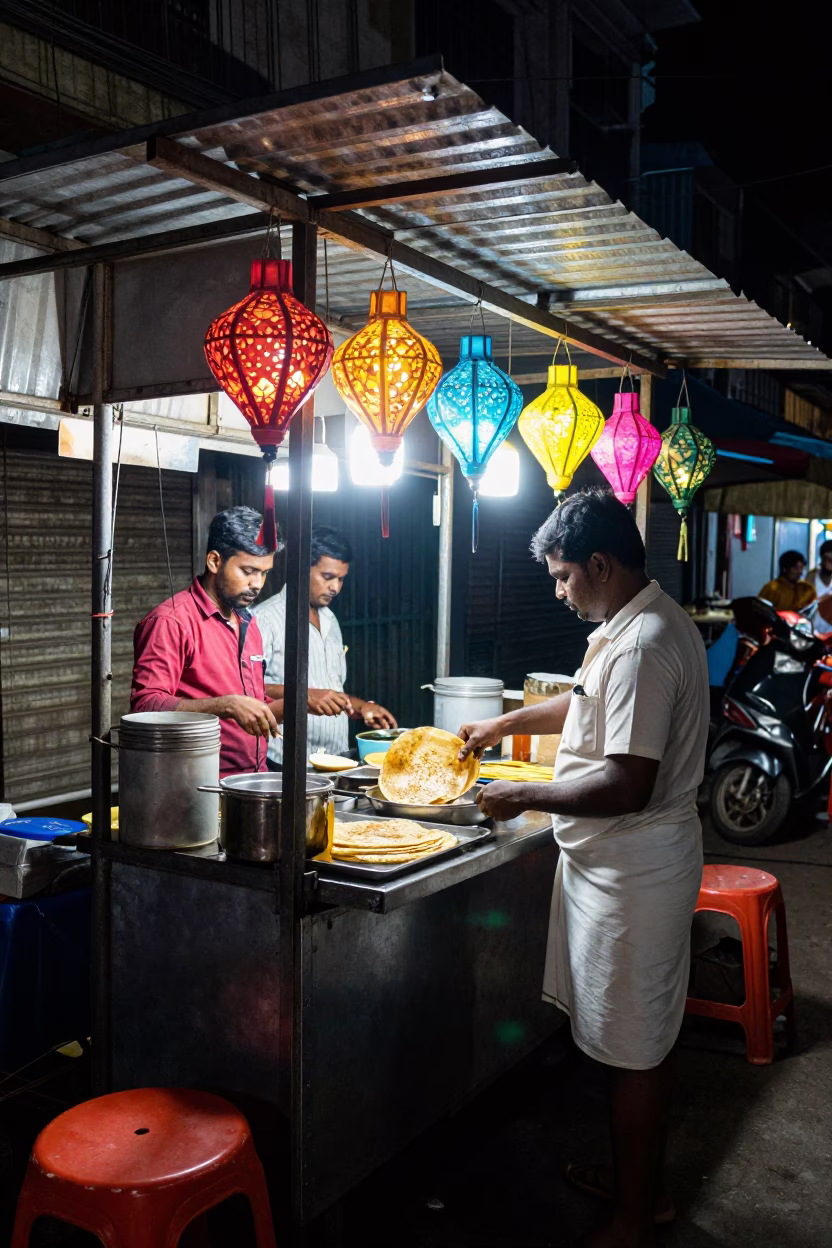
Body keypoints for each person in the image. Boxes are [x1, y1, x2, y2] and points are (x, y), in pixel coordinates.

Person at [458, 488, 709, 1248]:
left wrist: (522, 795)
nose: (559, 592)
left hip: (634, 873)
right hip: (621, 869)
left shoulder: (641, 643)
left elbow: (626, 779)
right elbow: (584, 706)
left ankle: (635, 1218)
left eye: (565, 577)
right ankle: (640, 1184)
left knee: (633, 1050)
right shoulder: (634, 623)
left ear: (600, 564)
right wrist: (505, 720)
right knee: (632, 1041)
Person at [131, 506, 280, 777]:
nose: (257, 584)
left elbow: (249, 702)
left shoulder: (248, 621)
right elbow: (145, 706)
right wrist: (226, 705)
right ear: (214, 561)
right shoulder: (171, 621)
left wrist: (299, 701)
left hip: (251, 779)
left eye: (264, 572)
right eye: (248, 571)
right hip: (196, 786)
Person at [254, 525, 396, 766]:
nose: (336, 588)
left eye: (341, 579)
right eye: (328, 577)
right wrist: (306, 696)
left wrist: (362, 707)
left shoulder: (330, 619)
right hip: (285, 765)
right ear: (301, 568)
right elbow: (248, 689)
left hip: (336, 761)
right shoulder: (264, 619)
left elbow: (330, 687)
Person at [807, 539, 832, 634]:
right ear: (822, 558)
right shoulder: (811, 577)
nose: (830, 563)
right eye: (828, 559)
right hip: (812, 631)